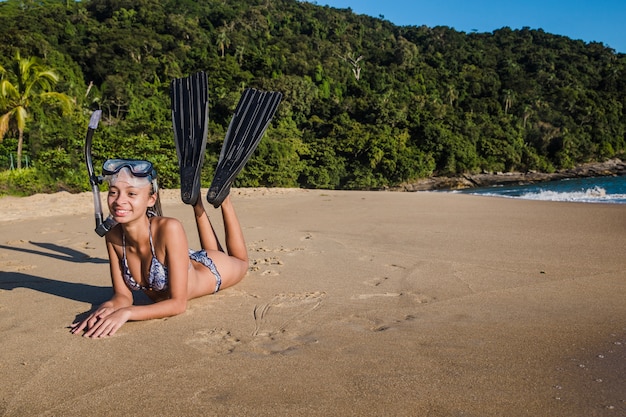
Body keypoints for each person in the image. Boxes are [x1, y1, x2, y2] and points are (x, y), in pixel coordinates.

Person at [71, 159, 249, 338]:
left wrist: (128, 313)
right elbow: (122, 297)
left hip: (214, 270)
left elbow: (178, 304)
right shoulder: (113, 235)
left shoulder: (169, 227)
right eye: (113, 192)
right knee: (211, 251)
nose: (119, 201)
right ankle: (197, 202)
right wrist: (106, 309)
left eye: (131, 193)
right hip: (187, 261)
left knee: (241, 261)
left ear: (151, 199)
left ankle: (224, 199)